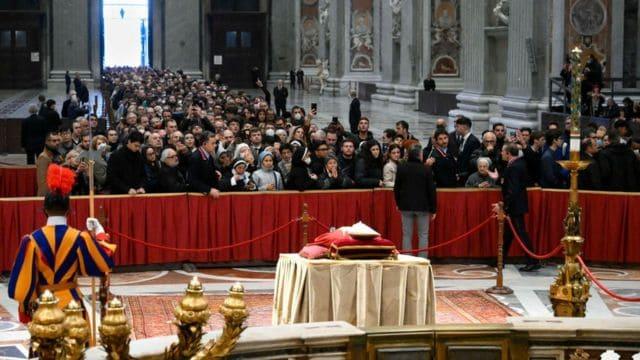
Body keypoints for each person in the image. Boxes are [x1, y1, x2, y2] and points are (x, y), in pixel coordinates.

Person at [8, 164, 115, 323]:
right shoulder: (80, 238)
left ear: (44, 211)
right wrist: (99, 233)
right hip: (72, 306)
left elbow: (20, 288)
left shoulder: (31, 241)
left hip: (43, 307)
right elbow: (104, 264)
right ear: (69, 210)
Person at [494, 143, 540, 271]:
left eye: (503, 152)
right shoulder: (516, 164)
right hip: (515, 205)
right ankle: (500, 259)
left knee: (520, 233)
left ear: (508, 153)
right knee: (508, 234)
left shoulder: (514, 167)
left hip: (515, 206)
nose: (501, 154)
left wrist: (504, 205)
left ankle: (533, 261)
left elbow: (513, 189)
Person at [394, 144, 437, 258]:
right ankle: (422, 260)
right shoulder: (426, 169)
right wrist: (433, 209)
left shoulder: (402, 167)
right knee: (423, 235)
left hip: (405, 206)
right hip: (423, 206)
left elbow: (396, 188)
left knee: (407, 235)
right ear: (419, 155)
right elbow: (431, 190)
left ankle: (407, 259)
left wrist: (398, 203)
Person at [188, 132, 221, 197]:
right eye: (213, 143)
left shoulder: (209, 155)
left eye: (215, 143)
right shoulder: (195, 157)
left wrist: (215, 173)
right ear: (204, 144)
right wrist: (208, 190)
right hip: (198, 196)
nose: (215, 145)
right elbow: (192, 180)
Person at [36, 132, 63, 196]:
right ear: (46, 142)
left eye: (58, 140)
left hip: (57, 194)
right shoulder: (43, 157)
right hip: (47, 197)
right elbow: (42, 183)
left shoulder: (57, 155)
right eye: (54, 141)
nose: (57, 143)